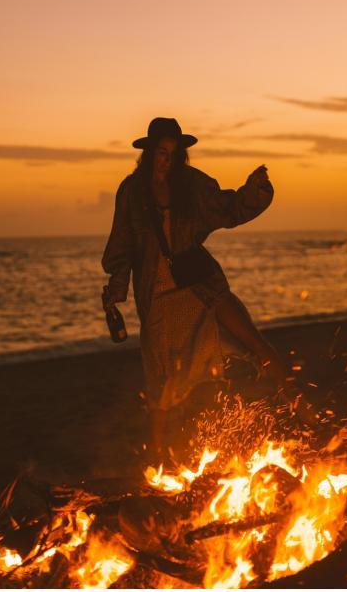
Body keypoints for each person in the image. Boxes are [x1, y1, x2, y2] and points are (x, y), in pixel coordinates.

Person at [102, 117, 316, 459]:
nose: (167, 161)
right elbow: (123, 243)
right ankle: (159, 461)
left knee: (252, 339)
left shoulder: (191, 185)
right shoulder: (131, 192)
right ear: (148, 153)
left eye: (174, 154)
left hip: (201, 285)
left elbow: (229, 208)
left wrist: (254, 191)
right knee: (162, 387)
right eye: (161, 153)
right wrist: (116, 285)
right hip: (157, 300)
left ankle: (304, 407)